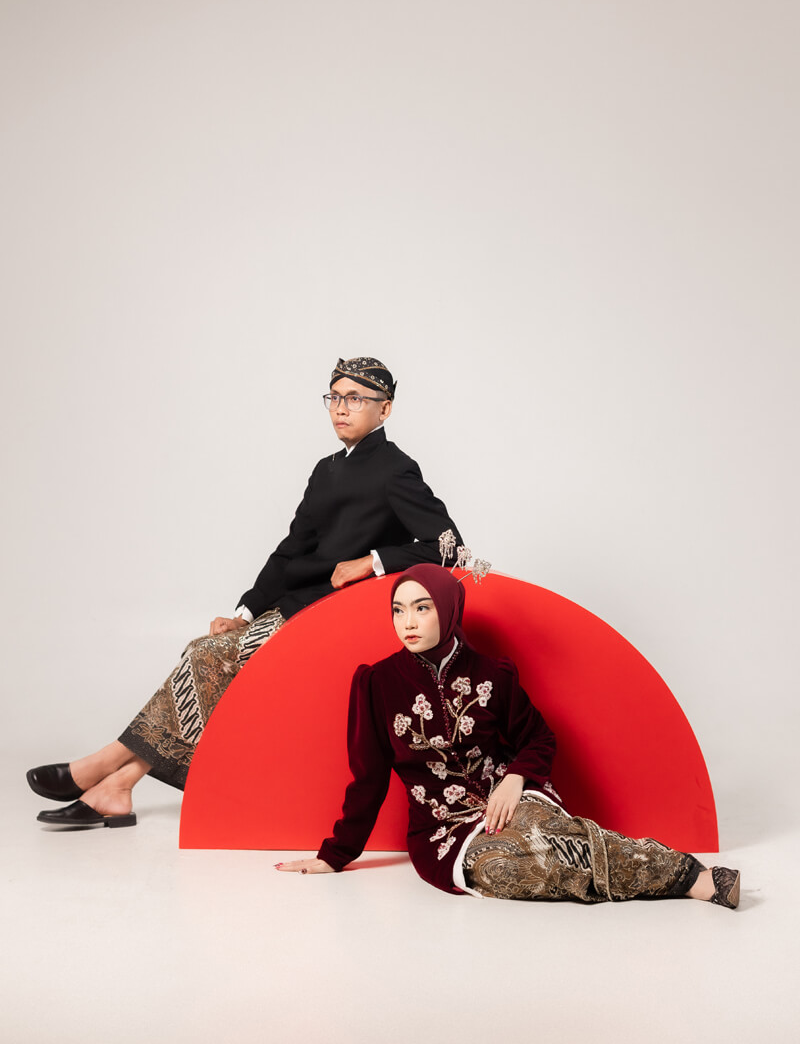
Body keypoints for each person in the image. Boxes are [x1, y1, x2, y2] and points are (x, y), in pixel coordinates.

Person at [27, 358, 462, 830]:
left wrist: (371, 561)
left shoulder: (396, 469)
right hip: (296, 606)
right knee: (205, 650)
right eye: (334, 397)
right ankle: (116, 786)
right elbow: (291, 549)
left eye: (355, 398)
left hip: (333, 616)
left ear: (385, 409)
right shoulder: (326, 470)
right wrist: (246, 610)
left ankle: (102, 765)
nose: (341, 408)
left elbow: (450, 546)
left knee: (207, 658)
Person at [277, 563, 741, 909]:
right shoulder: (377, 684)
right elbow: (368, 779)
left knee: (551, 837)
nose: (408, 622)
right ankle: (672, 875)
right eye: (398, 610)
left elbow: (540, 738)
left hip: (513, 801)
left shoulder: (492, 673)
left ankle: (689, 876)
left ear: (448, 609)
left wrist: (516, 779)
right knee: (511, 866)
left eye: (422, 608)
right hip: (444, 833)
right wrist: (335, 855)